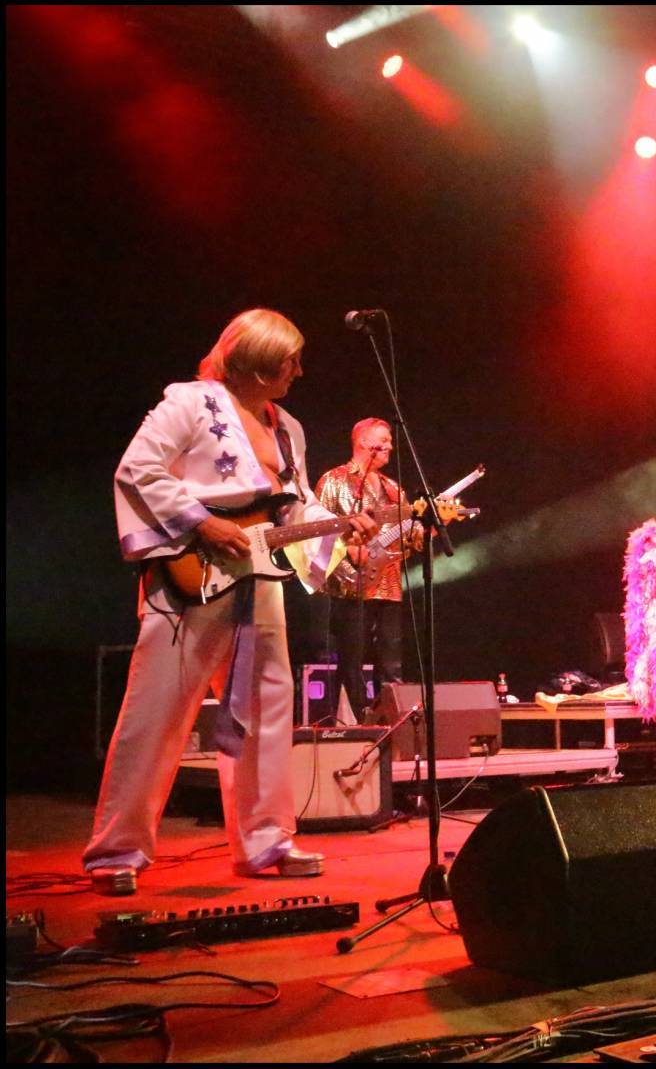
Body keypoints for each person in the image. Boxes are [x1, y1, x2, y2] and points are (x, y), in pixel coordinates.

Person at [85, 309, 376, 895]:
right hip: (189, 577)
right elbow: (138, 469)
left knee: (269, 708)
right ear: (259, 365)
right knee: (155, 713)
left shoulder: (287, 427)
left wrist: (342, 526)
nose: (299, 371)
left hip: (258, 579)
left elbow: (291, 506)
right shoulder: (190, 404)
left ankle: (266, 838)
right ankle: (117, 849)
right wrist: (200, 522)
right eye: (290, 361)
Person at [316, 418, 420, 723]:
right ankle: (360, 723)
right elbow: (316, 531)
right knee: (353, 660)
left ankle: (393, 723)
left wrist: (421, 532)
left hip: (388, 583)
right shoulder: (333, 480)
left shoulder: (393, 488)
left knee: (392, 660)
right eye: (383, 440)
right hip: (350, 583)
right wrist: (347, 551)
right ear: (362, 441)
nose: (390, 446)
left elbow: (406, 540)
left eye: (390, 441)